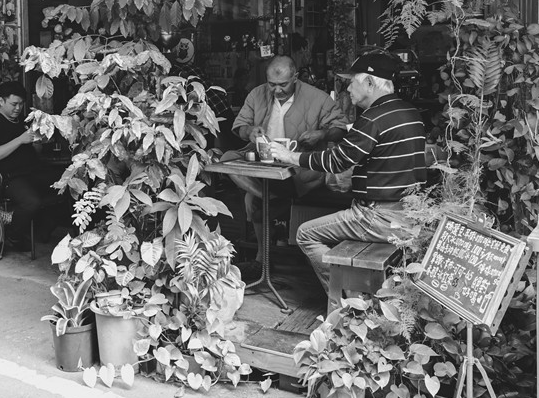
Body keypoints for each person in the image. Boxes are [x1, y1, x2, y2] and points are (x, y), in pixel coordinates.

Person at [269, 53, 428, 291]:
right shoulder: (410, 113)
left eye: (352, 82)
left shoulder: (374, 118)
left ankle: (346, 299)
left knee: (305, 233)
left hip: (377, 218)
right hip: (409, 214)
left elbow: (336, 161)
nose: (348, 88)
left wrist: (289, 156)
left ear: (370, 83)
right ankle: (355, 292)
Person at [225, 55, 349, 277]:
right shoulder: (257, 94)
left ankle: (262, 260)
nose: (277, 90)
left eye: (283, 85)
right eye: (272, 84)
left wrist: (322, 133)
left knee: (253, 201)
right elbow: (240, 126)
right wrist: (249, 131)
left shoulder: (317, 98)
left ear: (296, 77)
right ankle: (269, 198)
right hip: (265, 165)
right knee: (227, 159)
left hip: (299, 166)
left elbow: (340, 128)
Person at [0, 81, 61, 251]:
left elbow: (34, 150)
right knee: (32, 202)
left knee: (67, 184)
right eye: (14, 104)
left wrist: (37, 141)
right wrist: (20, 140)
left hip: (35, 171)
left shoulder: (22, 121)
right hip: (11, 177)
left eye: (21, 104)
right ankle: (13, 236)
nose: (18, 108)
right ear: (1, 101)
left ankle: (45, 227)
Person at [168, 38, 233, 146]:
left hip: (204, 111)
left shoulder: (172, 74)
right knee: (234, 140)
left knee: (205, 143)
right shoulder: (195, 69)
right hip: (219, 105)